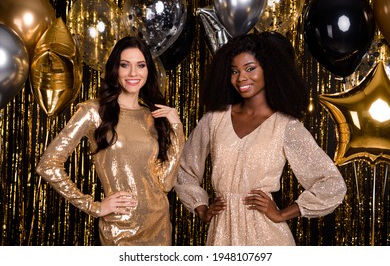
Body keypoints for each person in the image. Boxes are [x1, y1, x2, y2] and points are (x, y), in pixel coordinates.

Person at [174, 32, 347, 246]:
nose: (241, 78)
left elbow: (331, 183)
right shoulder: (214, 119)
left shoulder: (285, 125)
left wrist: (282, 214)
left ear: (268, 69)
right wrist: (201, 208)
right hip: (221, 233)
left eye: (250, 68)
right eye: (234, 71)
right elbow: (184, 169)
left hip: (266, 235)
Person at [36, 36, 184, 246]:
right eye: (125, 65)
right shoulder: (94, 111)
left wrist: (177, 128)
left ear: (148, 70)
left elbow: (165, 183)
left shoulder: (153, 116)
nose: (133, 73)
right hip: (119, 230)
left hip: (159, 226)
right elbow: (48, 165)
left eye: (140, 65)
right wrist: (94, 207)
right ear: (115, 69)